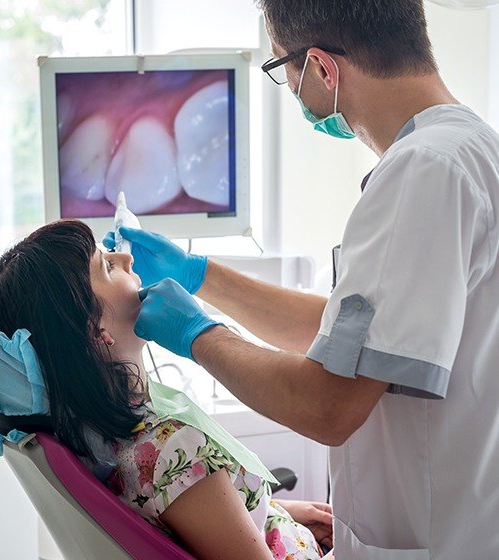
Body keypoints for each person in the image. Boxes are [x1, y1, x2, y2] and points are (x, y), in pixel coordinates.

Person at [104, 1, 499, 558]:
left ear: (321, 68)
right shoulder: (470, 150)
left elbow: (329, 406)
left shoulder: (424, 172)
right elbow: (357, 340)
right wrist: (200, 276)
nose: (292, 90)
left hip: (441, 537)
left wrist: (198, 335)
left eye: (281, 70)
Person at [0, 220, 333, 560]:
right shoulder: (173, 450)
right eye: (107, 267)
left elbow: (188, 518)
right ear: (96, 332)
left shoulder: (100, 441)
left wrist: (272, 512)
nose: (126, 257)